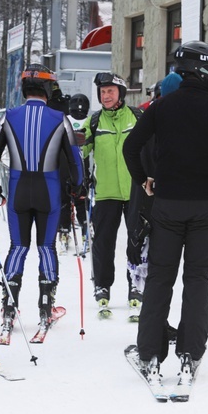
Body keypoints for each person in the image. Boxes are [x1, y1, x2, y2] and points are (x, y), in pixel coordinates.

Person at [123, 41, 208, 382]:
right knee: (198, 280)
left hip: (167, 204)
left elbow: (131, 146)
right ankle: (190, 354)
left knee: (160, 278)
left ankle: (150, 354)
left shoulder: (161, 107)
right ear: (205, 71)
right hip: (206, 207)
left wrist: (143, 180)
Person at [0, 64, 83, 332]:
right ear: (47, 88)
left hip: (19, 189)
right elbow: (75, 160)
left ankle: (8, 307)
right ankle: (46, 305)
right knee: (46, 247)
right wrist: (77, 187)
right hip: (49, 190)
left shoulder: (8, 117)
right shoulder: (59, 118)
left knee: (18, 247)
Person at [82, 73, 141, 315]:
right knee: (103, 242)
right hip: (106, 192)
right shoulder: (94, 122)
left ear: (121, 93)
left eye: (110, 91)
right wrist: (79, 175)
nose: (106, 96)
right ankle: (102, 286)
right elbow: (81, 150)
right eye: (102, 92)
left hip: (135, 191)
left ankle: (136, 284)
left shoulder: (137, 118)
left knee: (137, 240)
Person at [125, 72, 182, 320]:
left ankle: (153, 318)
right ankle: (154, 321)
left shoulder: (150, 118)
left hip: (147, 200)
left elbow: (131, 153)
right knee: (159, 266)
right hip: (160, 202)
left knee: (151, 263)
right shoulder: (170, 121)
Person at [56, 93, 90, 255]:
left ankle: (64, 230)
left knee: (65, 200)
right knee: (81, 200)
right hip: (82, 167)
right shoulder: (89, 121)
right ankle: (85, 228)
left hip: (65, 166)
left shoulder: (64, 120)